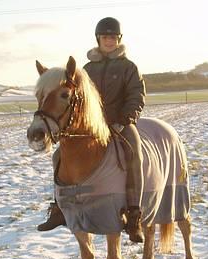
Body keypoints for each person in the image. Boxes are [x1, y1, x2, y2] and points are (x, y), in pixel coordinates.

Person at [37, 17, 146, 243]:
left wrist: (124, 120)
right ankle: (58, 208)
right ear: (98, 39)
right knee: (58, 155)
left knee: (134, 152)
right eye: (105, 37)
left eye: (113, 37)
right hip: (91, 126)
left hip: (121, 123)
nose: (109, 41)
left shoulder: (129, 67)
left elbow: (137, 97)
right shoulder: (85, 69)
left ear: (118, 40)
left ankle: (134, 215)